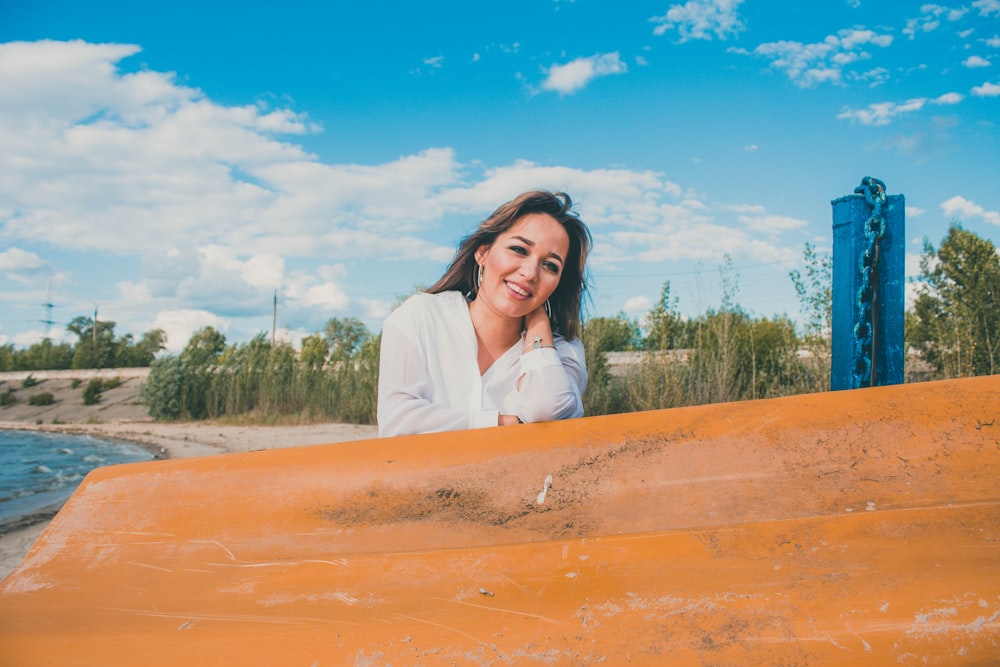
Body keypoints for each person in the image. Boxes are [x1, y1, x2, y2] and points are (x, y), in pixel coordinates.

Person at [377, 190, 592, 437]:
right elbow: (397, 422)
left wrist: (538, 322)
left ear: (558, 284)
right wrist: (500, 423)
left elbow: (546, 409)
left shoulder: (563, 353)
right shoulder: (421, 316)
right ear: (483, 253)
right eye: (519, 250)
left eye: (550, 266)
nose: (531, 273)